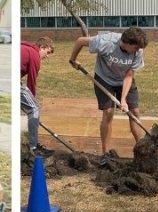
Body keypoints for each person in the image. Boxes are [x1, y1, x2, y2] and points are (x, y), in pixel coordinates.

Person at [69, 27, 149, 165]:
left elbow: (129, 75)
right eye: (135, 48)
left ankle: (143, 151)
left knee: (134, 111)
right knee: (108, 112)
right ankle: (106, 154)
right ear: (128, 43)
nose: (138, 51)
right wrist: (73, 59)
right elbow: (80, 41)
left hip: (124, 78)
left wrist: (123, 99)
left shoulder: (138, 51)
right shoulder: (106, 42)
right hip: (104, 78)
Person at [20, 37, 54, 158]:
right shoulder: (34, 55)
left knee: (32, 108)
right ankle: (33, 148)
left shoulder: (25, 47)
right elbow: (31, 82)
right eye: (47, 52)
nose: (47, 56)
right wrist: (33, 105)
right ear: (42, 47)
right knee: (34, 110)